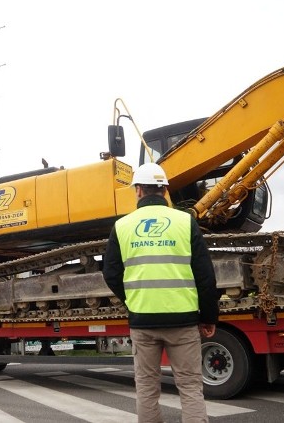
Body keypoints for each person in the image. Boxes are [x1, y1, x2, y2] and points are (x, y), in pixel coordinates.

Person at [102, 162, 219, 423]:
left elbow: (110, 274)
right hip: (184, 320)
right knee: (190, 387)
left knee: (146, 388)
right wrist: (209, 317)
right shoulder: (184, 221)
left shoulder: (122, 226)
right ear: (165, 190)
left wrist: (133, 299)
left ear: (138, 190)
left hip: (143, 320)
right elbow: (205, 276)